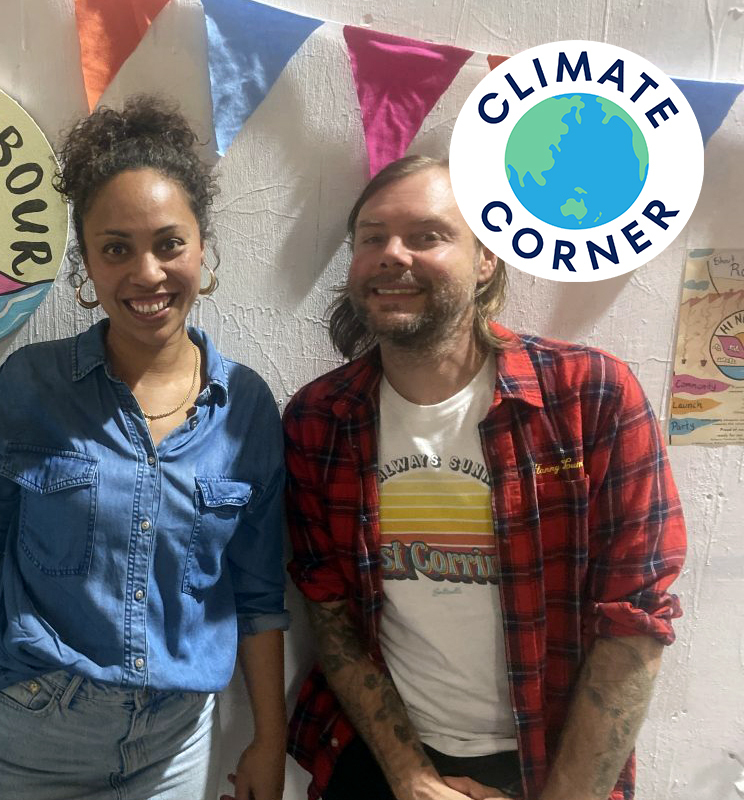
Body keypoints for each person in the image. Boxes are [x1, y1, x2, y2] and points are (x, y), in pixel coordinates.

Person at [284, 156, 686, 800]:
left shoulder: (591, 397)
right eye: (372, 236)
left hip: (551, 764)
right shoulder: (317, 419)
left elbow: (635, 624)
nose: (393, 254)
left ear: (486, 259)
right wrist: (411, 776)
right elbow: (331, 618)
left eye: (427, 235)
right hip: (380, 757)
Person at [0, 95, 289, 800]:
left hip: (170, 747)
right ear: (87, 266)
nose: (147, 274)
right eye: (116, 249)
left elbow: (255, 591)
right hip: (23, 735)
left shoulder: (246, 407)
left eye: (169, 243)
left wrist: (270, 738)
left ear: (203, 247)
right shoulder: (34, 386)